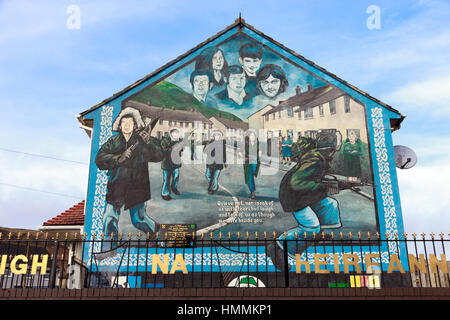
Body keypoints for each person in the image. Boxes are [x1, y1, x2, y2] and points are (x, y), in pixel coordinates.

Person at [95, 107, 163, 244]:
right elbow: (99, 159)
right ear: (119, 125)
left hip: (137, 187)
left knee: (139, 220)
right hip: (116, 186)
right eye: (123, 122)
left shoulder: (144, 140)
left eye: (129, 123)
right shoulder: (113, 142)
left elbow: (159, 156)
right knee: (109, 217)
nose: (126, 125)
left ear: (135, 125)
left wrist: (149, 143)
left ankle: (156, 235)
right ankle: (109, 246)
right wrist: (118, 158)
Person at [277, 130, 343, 242]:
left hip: (304, 194)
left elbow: (313, 177)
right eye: (333, 150)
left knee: (331, 204)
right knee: (311, 228)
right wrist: (323, 186)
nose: (333, 153)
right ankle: (279, 245)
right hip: (294, 197)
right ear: (330, 149)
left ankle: (318, 234)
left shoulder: (319, 156)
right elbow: (296, 183)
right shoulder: (315, 160)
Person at [160, 127, 184, 201]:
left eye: (177, 133)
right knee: (166, 179)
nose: (175, 134)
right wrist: (173, 148)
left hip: (175, 163)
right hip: (167, 163)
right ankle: (165, 193)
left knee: (176, 176)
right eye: (174, 133)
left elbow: (180, 150)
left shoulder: (179, 141)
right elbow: (163, 151)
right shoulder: (165, 141)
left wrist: (181, 147)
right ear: (171, 133)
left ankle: (174, 188)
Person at [203, 130, 227, 194]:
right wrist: (206, 146)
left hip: (218, 163)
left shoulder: (222, 144)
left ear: (220, 136)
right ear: (213, 136)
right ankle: (214, 185)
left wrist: (225, 162)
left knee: (215, 177)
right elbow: (205, 151)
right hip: (210, 163)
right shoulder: (210, 143)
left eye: (218, 135)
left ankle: (213, 189)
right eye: (215, 135)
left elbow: (224, 153)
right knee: (207, 175)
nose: (217, 136)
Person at [242, 130, 261, 200]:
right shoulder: (245, 144)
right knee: (250, 177)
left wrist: (260, 155)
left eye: (253, 136)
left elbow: (260, 151)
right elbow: (240, 152)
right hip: (248, 162)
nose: (252, 137)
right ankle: (252, 192)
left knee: (251, 176)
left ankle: (251, 187)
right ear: (248, 137)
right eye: (251, 136)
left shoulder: (257, 144)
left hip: (255, 162)